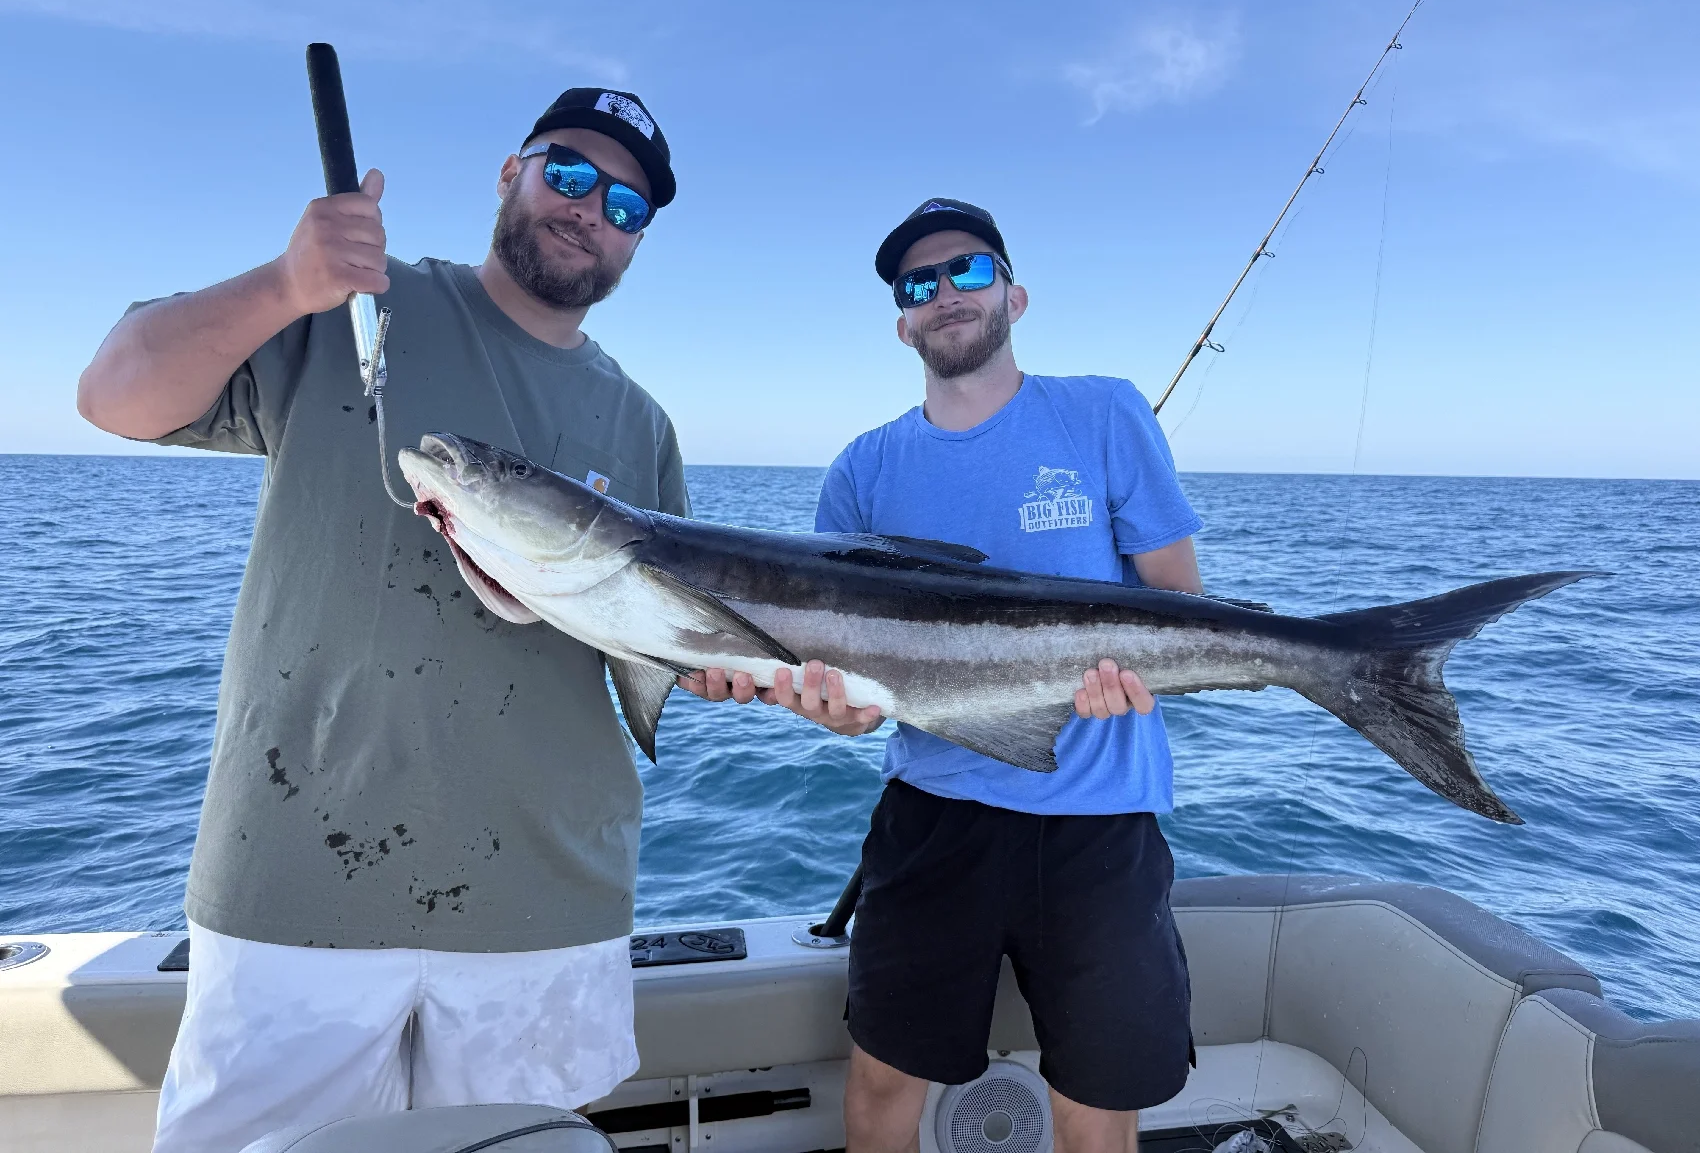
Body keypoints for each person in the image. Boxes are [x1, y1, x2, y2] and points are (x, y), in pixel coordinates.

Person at [77, 88, 687, 1152]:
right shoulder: (356, 308)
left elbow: (664, 639)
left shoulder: (642, 426)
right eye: (571, 174)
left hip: (549, 897)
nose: (592, 209)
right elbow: (113, 393)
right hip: (296, 882)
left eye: (625, 205)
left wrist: (761, 675)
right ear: (511, 171)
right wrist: (284, 282)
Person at [685, 199, 1202, 1153]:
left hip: (1099, 823)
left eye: (966, 269)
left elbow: (1177, 600)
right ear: (902, 322)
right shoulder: (862, 469)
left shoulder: (1105, 411)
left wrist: (1138, 681)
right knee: (884, 1080)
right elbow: (849, 699)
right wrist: (826, 710)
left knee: (1098, 1103)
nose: (944, 294)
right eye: (917, 284)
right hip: (933, 816)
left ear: (1014, 291)